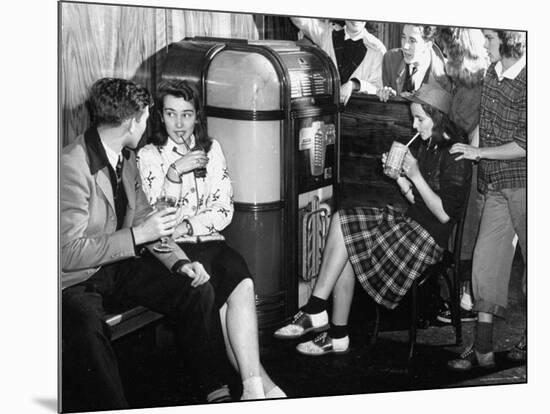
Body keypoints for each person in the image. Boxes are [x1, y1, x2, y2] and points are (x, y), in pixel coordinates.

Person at [61, 78, 232, 411]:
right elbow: (66, 253)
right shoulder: (71, 165)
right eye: (145, 117)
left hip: (119, 266)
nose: (147, 124)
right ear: (129, 122)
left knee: (194, 287)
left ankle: (215, 391)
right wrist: (138, 235)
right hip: (76, 280)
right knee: (86, 325)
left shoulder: (125, 158)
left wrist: (181, 263)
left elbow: (148, 219)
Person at [274, 83, 471, 355]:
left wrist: (414, 175)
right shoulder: (429, 144)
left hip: (427, 242)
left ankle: (318, 312)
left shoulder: (456, 155)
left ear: (438, 118)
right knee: (344, 226)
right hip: (411, 225)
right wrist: (400, 178)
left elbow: (444, 214)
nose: (414, 126)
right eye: (414, 118)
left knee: (344, 228)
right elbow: (417, 201)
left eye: (420, 119)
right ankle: (335, 332)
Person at [137, 79, 285, 399]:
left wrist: (189, 225)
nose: (180, 123)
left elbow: (223, 210)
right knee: (221, 292)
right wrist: (175, 173)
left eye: (187, 114)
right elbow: (157, 221)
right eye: (171, 114)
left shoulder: (211, 149)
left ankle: (253, 388)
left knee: (240, 279)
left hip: (207, 239)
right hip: (172, 251)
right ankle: (259, 388)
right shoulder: (149, 156)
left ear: (197, 116)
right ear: (160, 117)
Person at [447, 29, 526, 370]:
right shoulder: (493, 74)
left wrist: (478, 152)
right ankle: (482, 348)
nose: (485, 45)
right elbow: (486, 127)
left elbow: (526, 144)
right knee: (485, 264)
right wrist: (466, 151)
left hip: (528, 187)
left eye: (490, 39)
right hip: (495, 184)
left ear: (510, 41)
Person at [434, 27, 489, 324]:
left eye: (446, 52)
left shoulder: (479, 85)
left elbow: (479, 132)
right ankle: (458, 296)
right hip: (461, 163)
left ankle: (465, 300)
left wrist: (470, 151)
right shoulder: (460, 83)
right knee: (460, 234)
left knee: (467, 235)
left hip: (473, 169)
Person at [290, 17, 386, 104]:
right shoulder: (327, 34)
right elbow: (300, 20)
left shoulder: (377, 49)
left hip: (358, 115)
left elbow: (378, 89)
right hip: (326, 112)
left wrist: (354, 84)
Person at [377, 24, 451, 102]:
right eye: (403, 37)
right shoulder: (390, 59)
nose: (405, 46)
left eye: (412, 41)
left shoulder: (448, 74)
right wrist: (390, 98)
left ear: (428, 44)